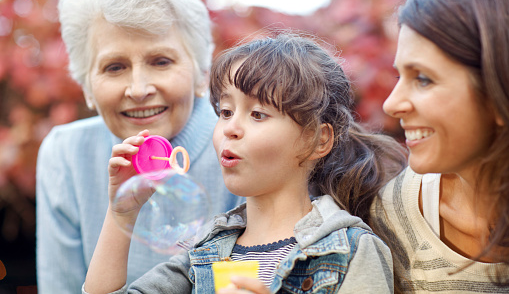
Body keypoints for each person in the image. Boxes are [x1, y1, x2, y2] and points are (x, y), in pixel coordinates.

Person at [82, 33, 407, 293]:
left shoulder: (350, 250)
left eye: (257, 114)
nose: (230, 128)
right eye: (225, 112)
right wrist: (121, 211)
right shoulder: (203, 252)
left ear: (317, 140)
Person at [35, 0, 242, 294]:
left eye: (161, 61)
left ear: (202, 74)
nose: (139, 89)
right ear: (87, 87)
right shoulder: (65, 153)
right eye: (114, 67)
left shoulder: (241, 144)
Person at [370, 0, 509, 293]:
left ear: (497, 92)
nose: (391, 104)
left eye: (422, 78)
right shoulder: (398, 213)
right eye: (398, 76)